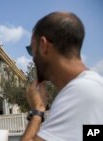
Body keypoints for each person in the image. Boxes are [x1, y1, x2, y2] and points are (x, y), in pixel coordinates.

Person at [21, 12, 103, 141]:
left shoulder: (80, 92)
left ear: (43, 45)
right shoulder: (90, 86)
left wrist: (37, 110)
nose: (33, 58)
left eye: (31, 50)